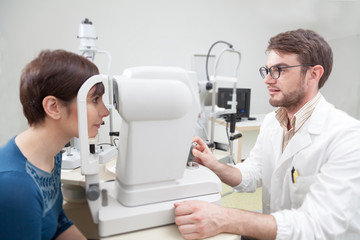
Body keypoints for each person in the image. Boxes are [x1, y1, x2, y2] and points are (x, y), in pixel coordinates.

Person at [174, 29, 360, 239]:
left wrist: (225, 217)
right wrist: (214, 165)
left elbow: (318, 227)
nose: (267, 80)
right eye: (267, 70)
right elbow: (254, 173)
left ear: (313, 74)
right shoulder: (274, 122)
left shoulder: (348, 137)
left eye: (279, 70)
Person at [0, 50, 110, 239]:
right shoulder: (16, 188)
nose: (105, 111)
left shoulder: (52, 154)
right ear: (53, 107)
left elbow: (57, 222)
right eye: (94, 100)